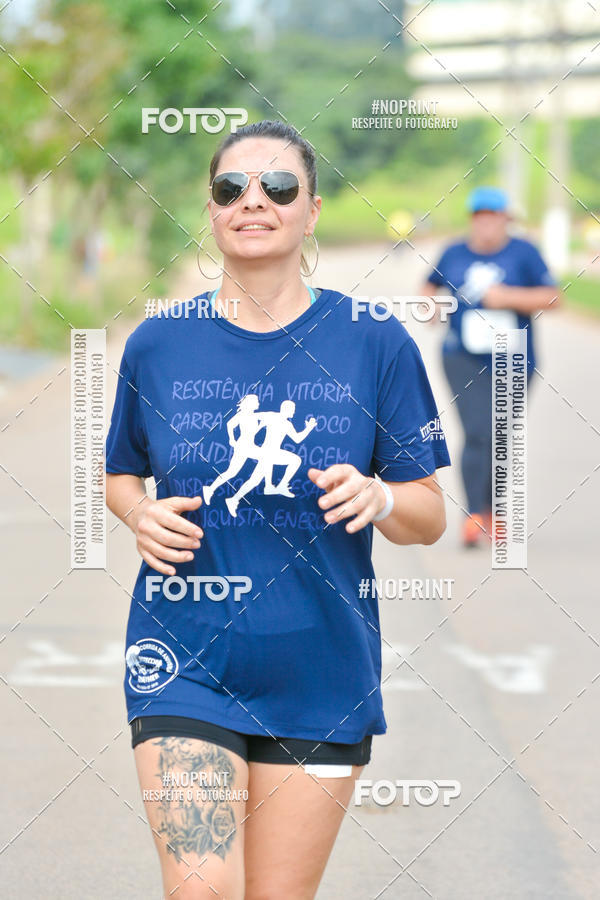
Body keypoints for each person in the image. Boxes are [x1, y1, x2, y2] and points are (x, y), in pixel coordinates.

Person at [105, 119, 450, 899]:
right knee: (202, 887)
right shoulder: (159, 342)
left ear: (312, 210)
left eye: (278, 187)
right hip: (185, 654)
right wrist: (136, 514)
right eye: (232, 188)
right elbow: (121, 474)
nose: (252, 201)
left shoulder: (373, 341)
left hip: (319, 667)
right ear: (211, 206)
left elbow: (427, 512)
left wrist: (381, 495)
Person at [419, 186, 560, 548]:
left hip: (513, 356)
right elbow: (429, 285)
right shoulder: (454, 252)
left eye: (494, 217)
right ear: (472, 220)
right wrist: (430, 306)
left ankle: (495, 513)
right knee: (480, 431)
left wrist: (508, 297)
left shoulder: (524, 252)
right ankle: (474, 516)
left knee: (502, 436)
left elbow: (552, 297)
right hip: (462, 356)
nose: (486, 224)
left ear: (505, 220)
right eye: (479, 217)